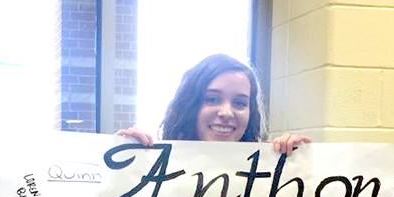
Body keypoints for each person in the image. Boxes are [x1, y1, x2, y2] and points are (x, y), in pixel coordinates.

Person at [117, 53, 309, 154]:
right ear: (190, 105)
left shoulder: (268, 170)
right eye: (212, 99)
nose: (226, 112)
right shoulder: (152, 164)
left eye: (240, 103)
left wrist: (298, 162)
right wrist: (120, 159)